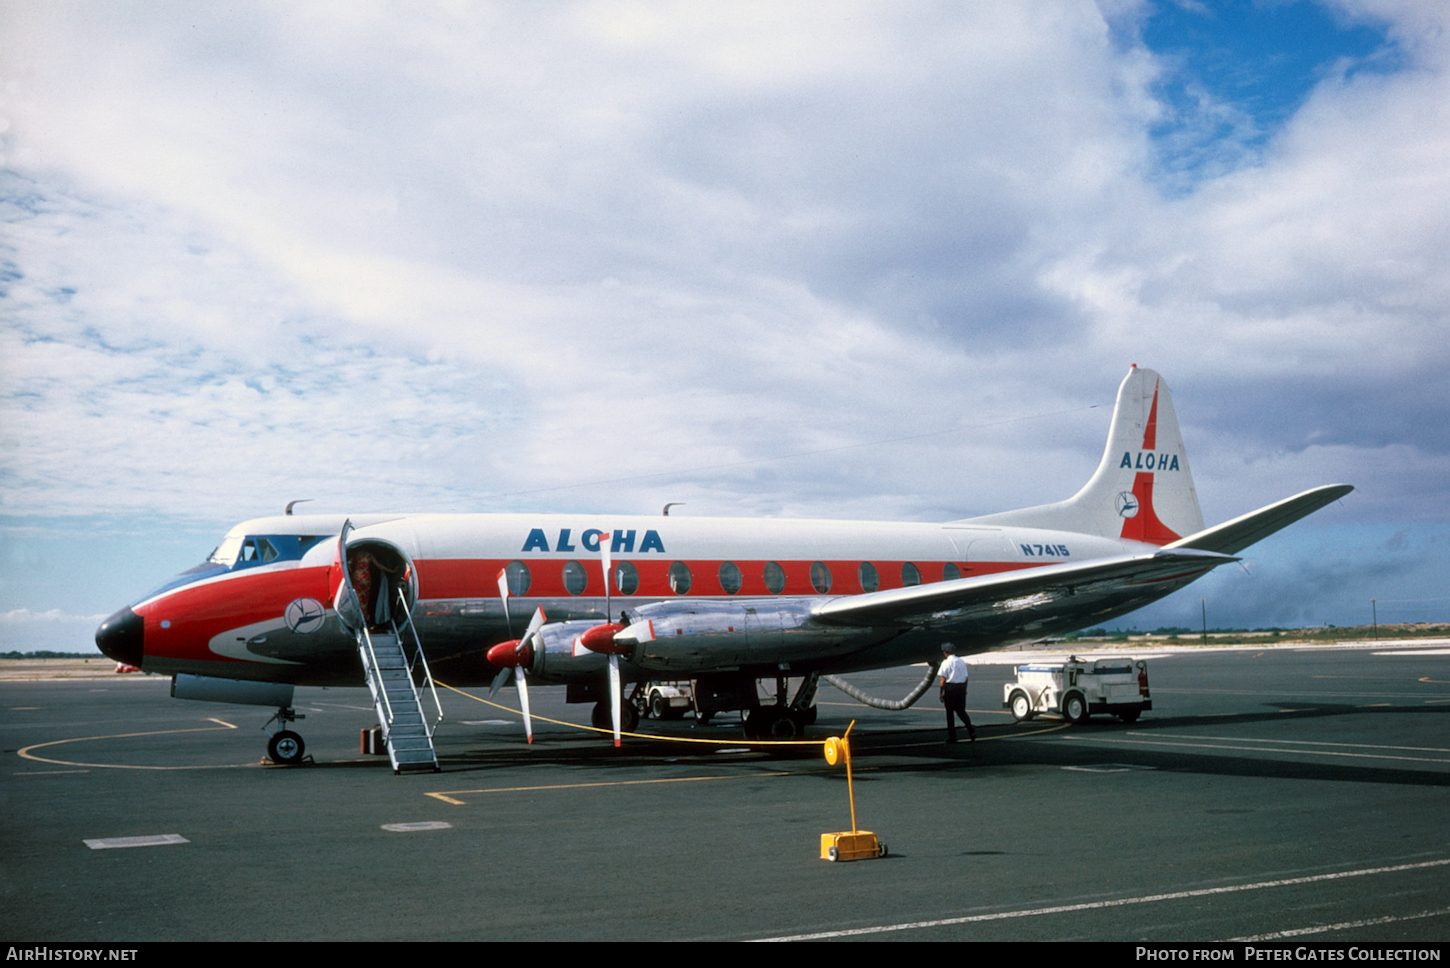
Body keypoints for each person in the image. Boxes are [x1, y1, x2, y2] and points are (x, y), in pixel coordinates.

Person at [939, 646, 976, 743]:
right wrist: (964, 689)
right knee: (961, 711)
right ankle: (970, 728)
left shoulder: (946, 662)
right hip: (961, 688)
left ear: (945, 652)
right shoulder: (961, 661)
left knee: (950, 713)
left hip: (950, 688)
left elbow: (943, 679)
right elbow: (966, 677)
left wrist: (941, 692)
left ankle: (952, 736)